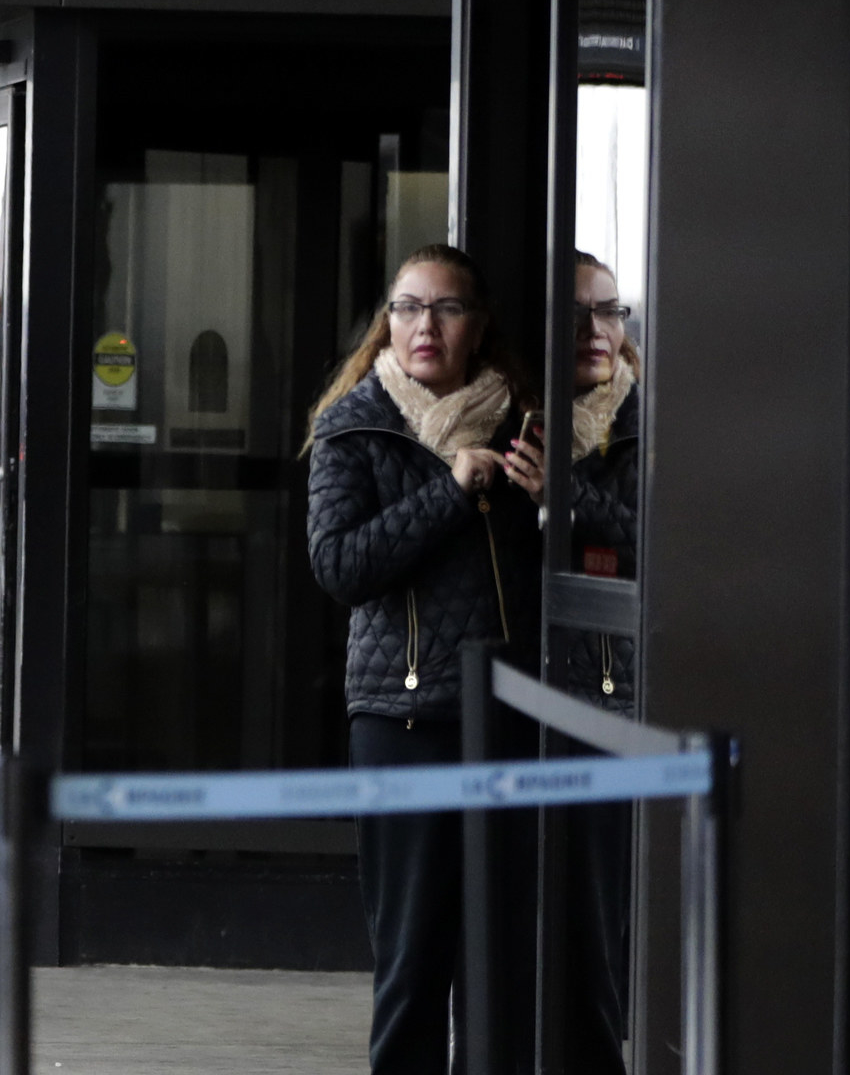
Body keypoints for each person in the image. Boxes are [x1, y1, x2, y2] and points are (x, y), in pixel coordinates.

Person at [306, 244, 543, 1075]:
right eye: (408, 308)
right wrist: (450, 491)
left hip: (510, 720)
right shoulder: (356, 425)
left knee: (504, 957)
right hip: (401, 720)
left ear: (477, 328)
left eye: (445, 309)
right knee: (412, 960)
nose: (424, 326)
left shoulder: (527, 425)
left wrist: (552, 505)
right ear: (387, 325)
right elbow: (340, 566)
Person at [503, 253, 639, 1075]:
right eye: (575, 314)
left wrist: (563, 494)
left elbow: (652, 544)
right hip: (498, 696)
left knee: (592, 936)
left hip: (600, 700)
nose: (595, 331)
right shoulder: (502, 417)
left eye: (610, 311)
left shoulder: (642, 427)